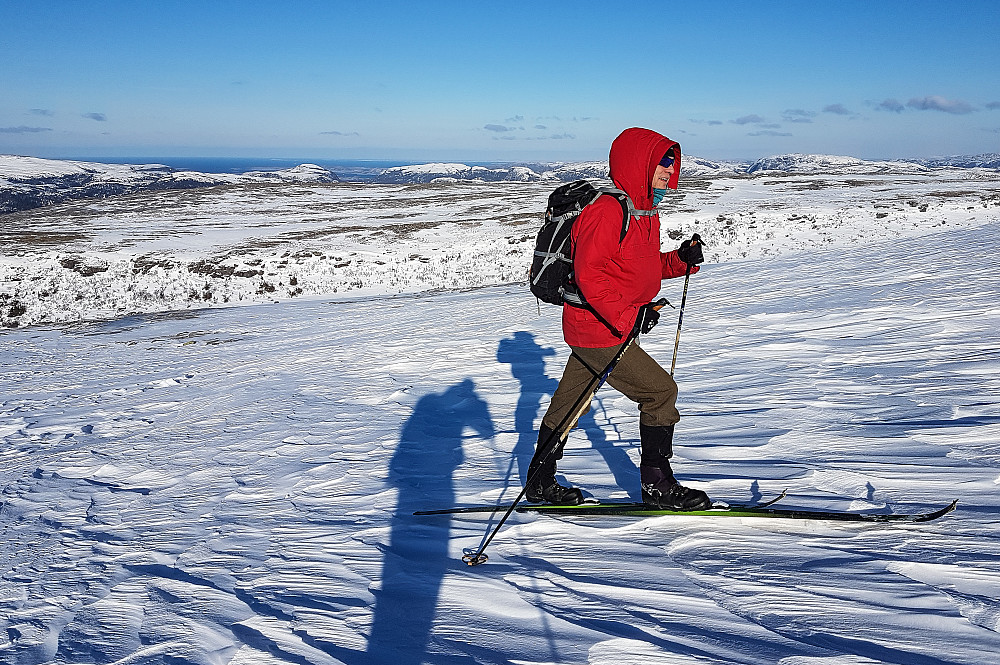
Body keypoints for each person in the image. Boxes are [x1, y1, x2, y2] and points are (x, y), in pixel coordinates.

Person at [525, 127, 711, 510]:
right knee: (659, 392)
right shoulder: (608, 210)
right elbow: (591, 275)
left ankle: (539, 481)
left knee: (571, 400)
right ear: (638, 163)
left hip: (607, 327)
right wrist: (630, 315)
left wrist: (678, 260)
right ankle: (657, 484)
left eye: (671, 164)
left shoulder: (644, 211)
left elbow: (638, 269)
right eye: (662, 163)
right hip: (600, 329)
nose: (668, 171)